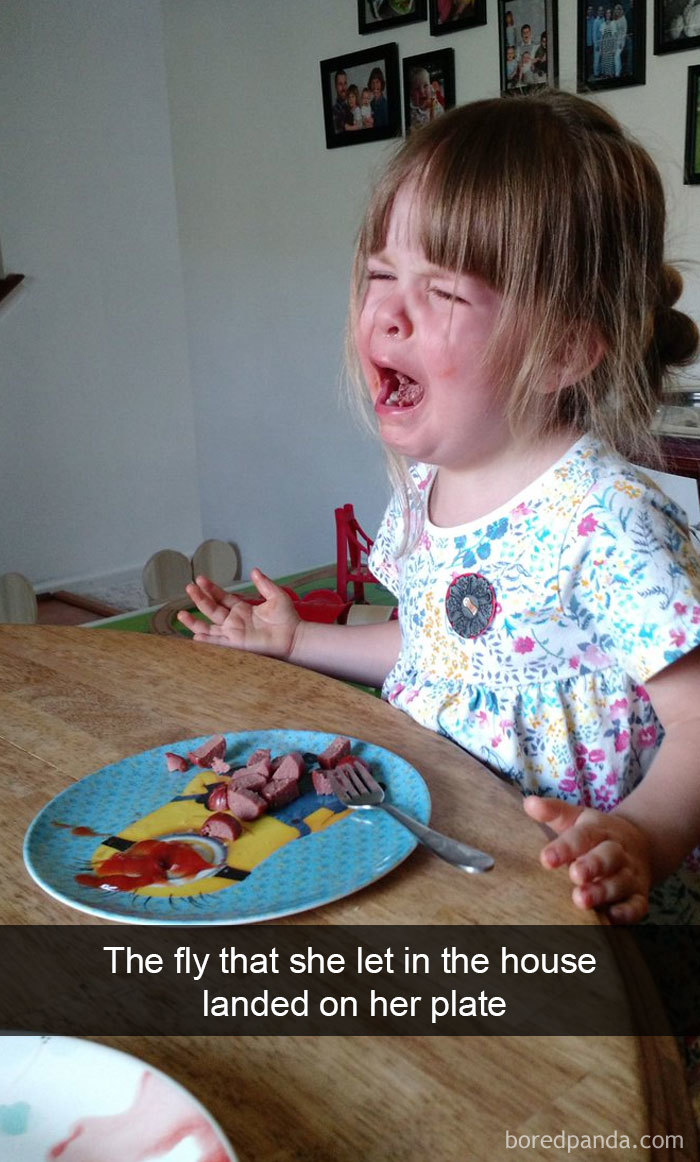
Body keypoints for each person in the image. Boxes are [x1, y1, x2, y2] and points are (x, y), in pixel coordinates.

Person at [180, 92, 700, 930]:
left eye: (444, 293)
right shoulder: (427, 483)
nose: (385, 310)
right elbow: (437, 649)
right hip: (442, 856)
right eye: (380, 275)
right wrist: (296, 640)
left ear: (564, 347)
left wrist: (643, 837)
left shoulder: (605, 521)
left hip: (578, 910)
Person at [409, 66, 444, 130]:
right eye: (417, 89)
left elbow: (442, 122)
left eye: (425, 86)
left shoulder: (435, 105)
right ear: (411, 94)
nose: (422, 91)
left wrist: (432, 108)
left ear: (430, 87)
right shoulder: (412, 112)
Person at [332, 69, 349, 134]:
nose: (344, 88)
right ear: (336, 86)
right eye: (340, 84)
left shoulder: (351, 105)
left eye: (345, 83)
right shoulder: (334, 111)